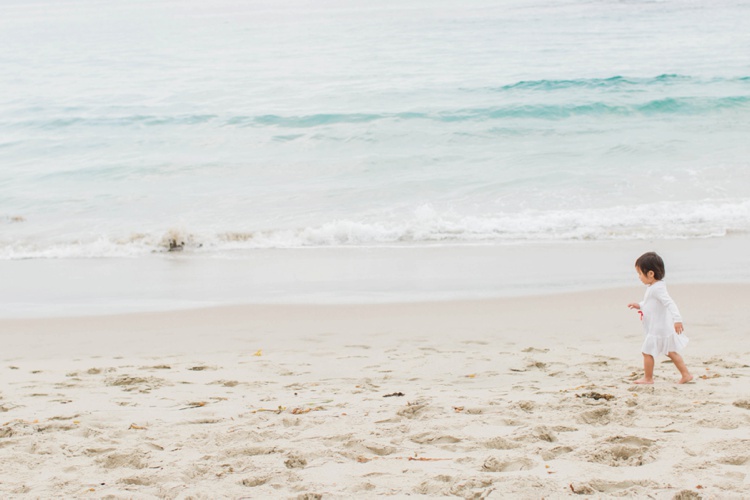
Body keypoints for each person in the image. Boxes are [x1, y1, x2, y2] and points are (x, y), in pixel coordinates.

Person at [627, 252, 693, 384]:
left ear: (650, 274)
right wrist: (639, 305)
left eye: (640, 273)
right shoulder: (655, 287)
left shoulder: (657, 289)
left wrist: (677, 320)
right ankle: (686, 375)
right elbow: (651, 304)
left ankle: (648, 378)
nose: (639, 277)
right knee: (671, 352)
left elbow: (670, 303)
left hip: (657, 330)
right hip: (662, 328)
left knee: (646, 352)